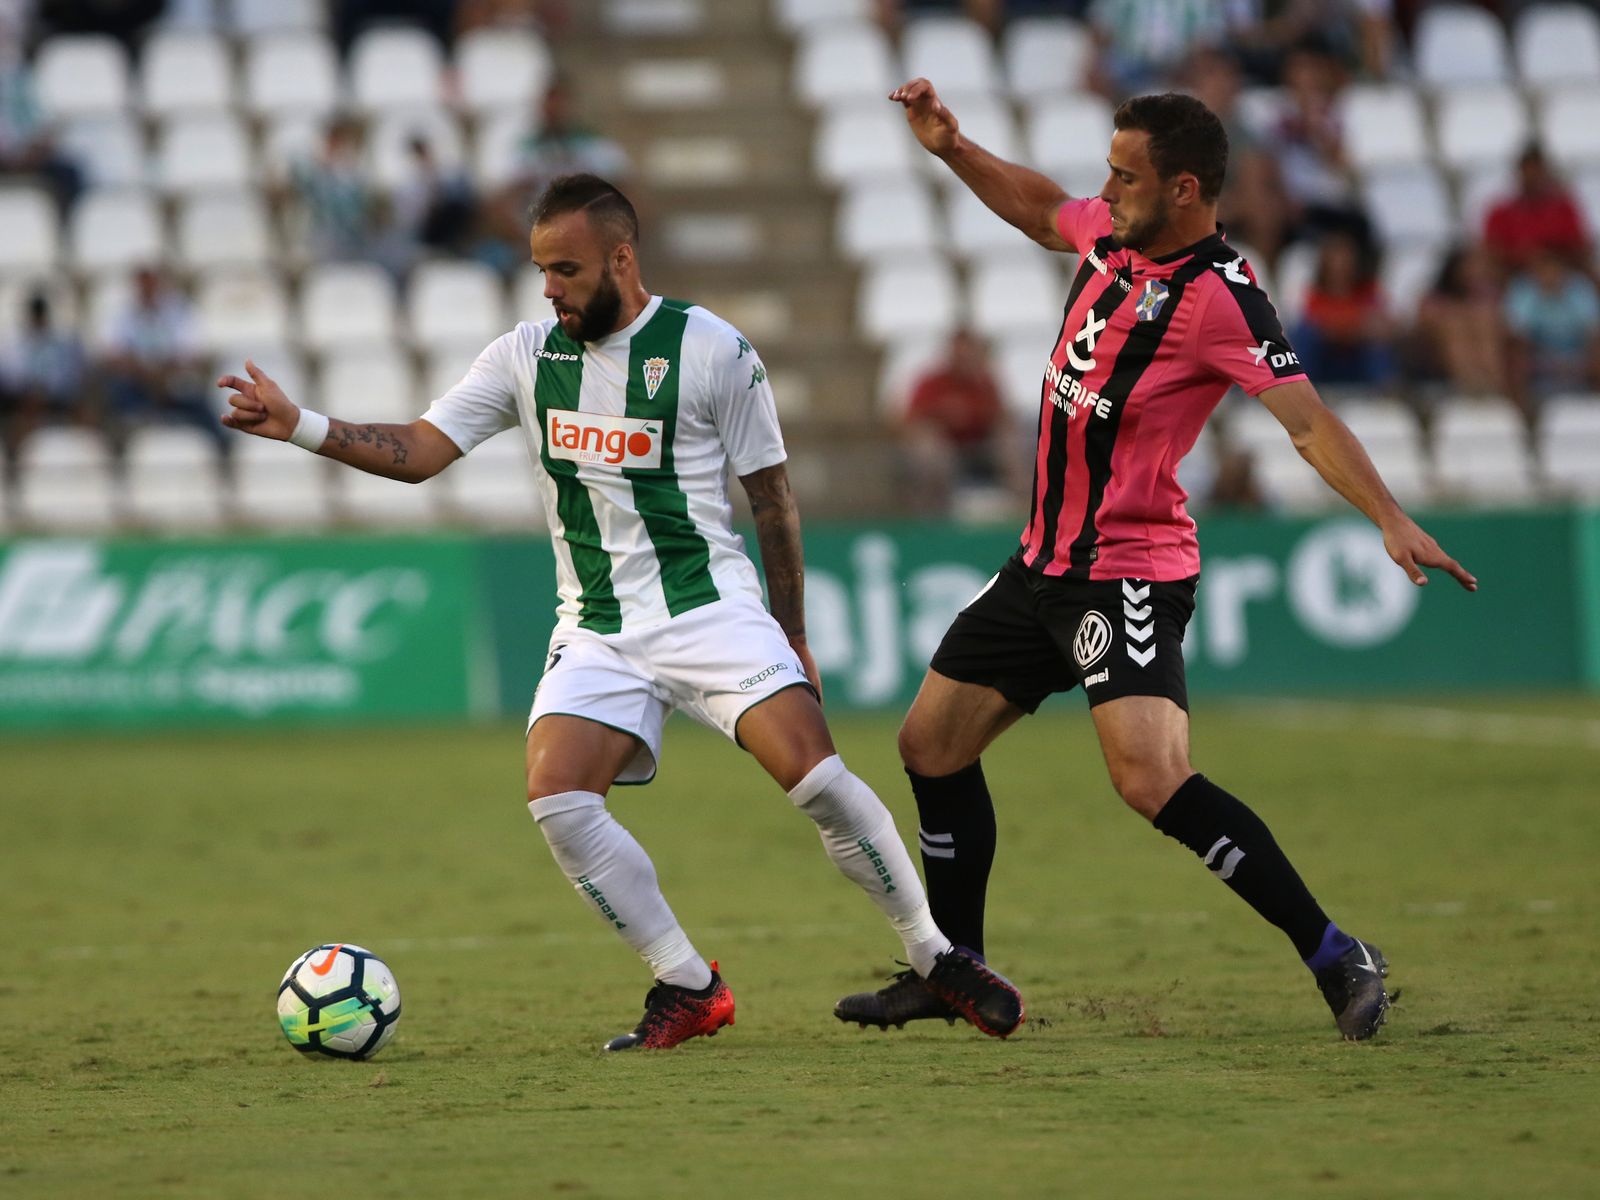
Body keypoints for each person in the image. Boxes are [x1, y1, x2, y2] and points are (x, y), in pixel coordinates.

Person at [217, 173, 1024, 1051]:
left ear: (621, 259)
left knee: (816, 780)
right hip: (598, 625)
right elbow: (419, 452)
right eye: (541, 271)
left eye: (565, 270)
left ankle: (936, 957)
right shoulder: (522, 357)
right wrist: (301, 424)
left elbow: (774, 502)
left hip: (711, 611)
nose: (550, 289)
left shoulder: (714, 350)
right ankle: (686, 984)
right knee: (558, 798)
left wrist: (792, 634)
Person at [834, 81, 1476, 1043]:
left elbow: (1304, 420)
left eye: (1125, 175)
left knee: (1149, 779)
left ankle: (1337, 953)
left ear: (1184, 189)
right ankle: (954, 971)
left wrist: (1386, 512)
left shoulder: (1224, 298)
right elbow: (1041, 207)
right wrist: (952, 148)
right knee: (930, 746)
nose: (1107, 187)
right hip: (1040, 564)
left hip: (1127, 567)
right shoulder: (1112, 235)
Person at [897, 327, 1018, 515]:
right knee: (930, 452)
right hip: (944, 451)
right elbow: (911, 419)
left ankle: (1023, 512)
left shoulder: (985, 383)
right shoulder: (931, 383)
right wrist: (943, 416)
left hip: (981, 450)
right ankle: (933, 516)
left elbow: (1001, 416)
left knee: (1010, 443)